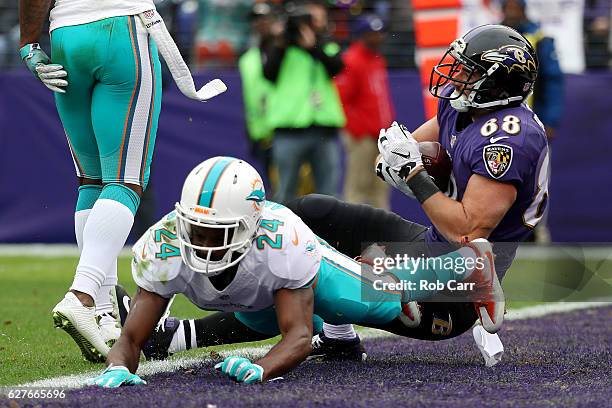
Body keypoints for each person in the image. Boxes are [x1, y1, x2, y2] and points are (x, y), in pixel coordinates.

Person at [86, 156, 502, 387]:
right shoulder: (163, 246)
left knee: (381, 299)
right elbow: (129, 338)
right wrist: (118, 366)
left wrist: (263, 368)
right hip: (257, 294)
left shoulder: (279, 240)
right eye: (195, 228)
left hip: (303, 274)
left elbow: (299, 336)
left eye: (218, 232)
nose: (202, 242)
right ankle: (339, 333)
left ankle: (466, 264)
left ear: (250, 225)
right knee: (255, 315)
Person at [289, 23, 549, 358]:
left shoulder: (509, 138)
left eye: (469, 72)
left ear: (498, 83)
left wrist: (414, 175)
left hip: (454, 289)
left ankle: (200, 334)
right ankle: (340, 337)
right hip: (430, 243)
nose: (456, 78)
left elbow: (467, 232)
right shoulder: (464, 109)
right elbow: (406, 149)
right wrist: (399, 157)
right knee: (312, 213)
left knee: (324, 274)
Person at [19, 0, 162, 361]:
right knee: (125, 182)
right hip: (122, 30)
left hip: (65, 35)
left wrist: (28, 45)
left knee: (92, 182)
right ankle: (82, 295)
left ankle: (103, 313)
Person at [263, 0, 346, 204]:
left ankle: (329, 236)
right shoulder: (280, 48)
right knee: (284, 191)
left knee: (329, 194)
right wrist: (281, 43)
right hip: (288, 130)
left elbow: (337, 67)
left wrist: (313, 46)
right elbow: (268, 74)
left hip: (323, 130)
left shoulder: (326, 46)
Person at [336, 14, 394, 210]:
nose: (379, 38)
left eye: (380, 33)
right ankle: (350, 236)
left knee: (381, 186)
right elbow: (342, 100)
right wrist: (358, 131)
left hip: (380, 135)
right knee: (357, 187)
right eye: (373, 34)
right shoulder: (352, 60)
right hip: (362, 137)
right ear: (362, 35)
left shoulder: (377, 59)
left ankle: (383, 235)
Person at [238, 3, 278, 189]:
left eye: (264, 19)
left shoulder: (284, 52)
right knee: (271, 189)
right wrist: (251, 132)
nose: (260, 24)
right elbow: (249, 98)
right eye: (256, 20)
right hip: (260, 134)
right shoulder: (247, 59)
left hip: (284, 129)